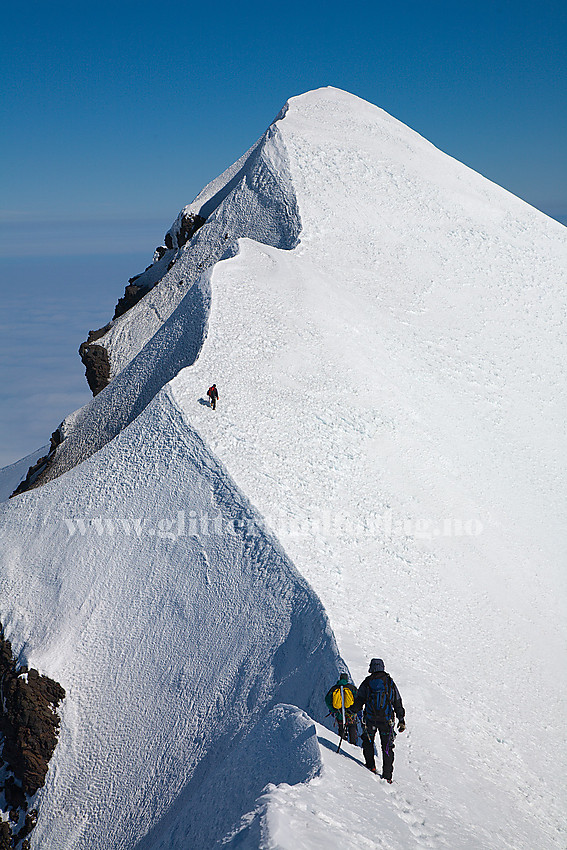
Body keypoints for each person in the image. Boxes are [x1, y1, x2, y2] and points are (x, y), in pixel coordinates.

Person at [353, 658, 405, 782]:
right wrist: (401, 719)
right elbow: (397, 701)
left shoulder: (367, 682)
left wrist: (351, 711)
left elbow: (359, 700)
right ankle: (387, 776)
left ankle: (371, 766)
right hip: (386, 722)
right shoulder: (389, 682)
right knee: (387, 747)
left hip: (370, 720)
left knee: (368, 742)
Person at [325, 672, 358, 744]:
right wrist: (355, 710)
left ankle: (343, 744)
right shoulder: (352, 688)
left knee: (341, 729)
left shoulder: (334, 688)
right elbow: (358, 699)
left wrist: (333, 710)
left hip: (339, 714)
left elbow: (327, 700)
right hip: (351, 714)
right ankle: (354, 746)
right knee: (352, 729)